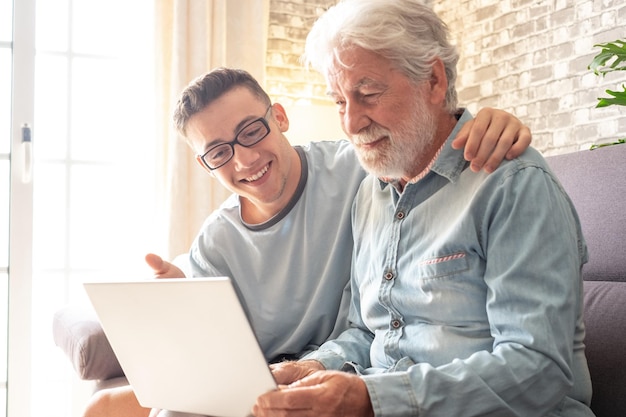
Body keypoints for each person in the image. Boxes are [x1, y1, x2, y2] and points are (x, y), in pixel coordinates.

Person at [82, 67, 531, 417]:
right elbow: (201, 336)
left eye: (251, 131)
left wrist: (491, 120)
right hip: (269, 381)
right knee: (106, 409)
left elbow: (426, 151)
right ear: (205, 165)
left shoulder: (361, 170)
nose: (245, 159)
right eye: (218, 152)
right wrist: (173, 293)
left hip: (351, 368)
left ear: (279, 116)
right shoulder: (216, 241)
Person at [253, 1, 594, 417]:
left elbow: (538, 369)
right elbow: (367, 329)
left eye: (368, 94)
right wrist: (311, 368)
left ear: (433, 79)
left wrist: (371, 400)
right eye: (340, 102)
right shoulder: (370, 195)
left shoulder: (512, 183)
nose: (351, 123)